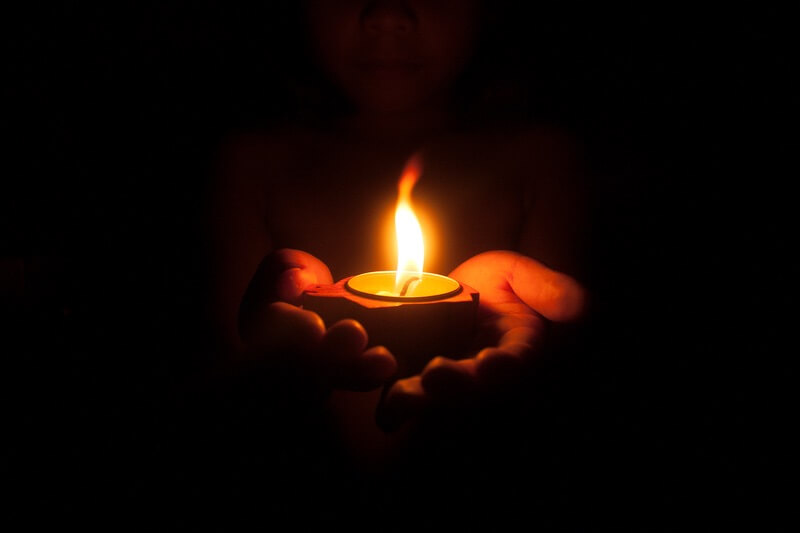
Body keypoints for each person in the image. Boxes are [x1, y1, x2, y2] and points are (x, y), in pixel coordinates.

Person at [205, 0, 587, 468]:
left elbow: (570, 377)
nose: (387, 14)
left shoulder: (538, 158)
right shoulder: (255, 160)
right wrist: (265, 369)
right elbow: (227, 370)